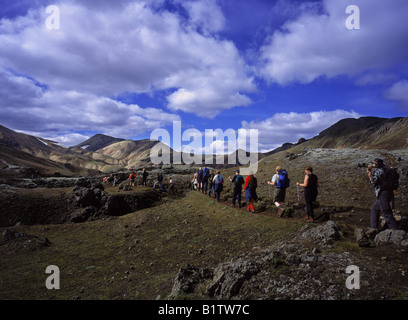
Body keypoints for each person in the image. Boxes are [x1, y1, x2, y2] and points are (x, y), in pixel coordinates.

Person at [367, 158, 398, 231]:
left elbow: (373, 182)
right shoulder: (387, 169)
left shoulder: (377, 171)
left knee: (386, 212)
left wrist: (369, 173)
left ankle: (394, 231)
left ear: (377, 164)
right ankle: (373, 228)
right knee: (375, 208)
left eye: (374, 163)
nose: (373, 164)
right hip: (390, 192)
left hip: (383, 193)